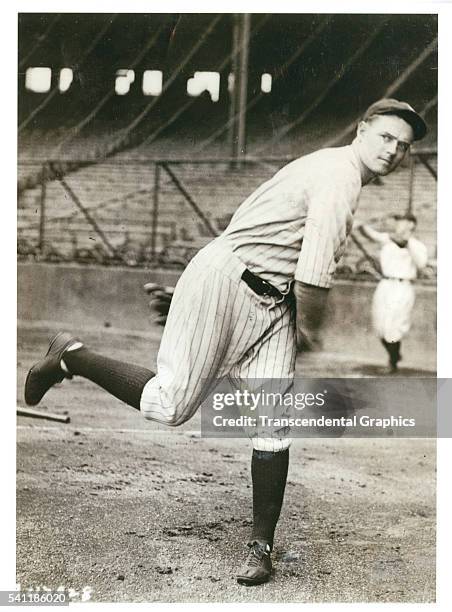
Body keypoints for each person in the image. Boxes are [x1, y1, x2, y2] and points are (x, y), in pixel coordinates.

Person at [24, 98, 427, 586]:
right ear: (362, 129)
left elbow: (262, 232)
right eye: (386, 136)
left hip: (269, 296)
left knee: (272, 424)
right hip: (232, 281)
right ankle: (72, 356)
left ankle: (260, 547)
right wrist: (298, 328)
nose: (394, 150)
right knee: (169, 405)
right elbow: (313, 277)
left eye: (403, 146)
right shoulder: (338, 174)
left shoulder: (331, 170)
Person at [359, 213, 428, 372]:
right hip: (385, 285)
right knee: (380, 326)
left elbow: (421, 264)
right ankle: (395, 355)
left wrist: (408, 243)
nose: (399, 227)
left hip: (402, 287)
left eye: (404, 224)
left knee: (393, 326)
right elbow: (369, 234)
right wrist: (360, 223)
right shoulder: (387, 240)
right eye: (399, 224)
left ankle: (392, 361)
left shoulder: (417, 245)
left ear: (411, 226)